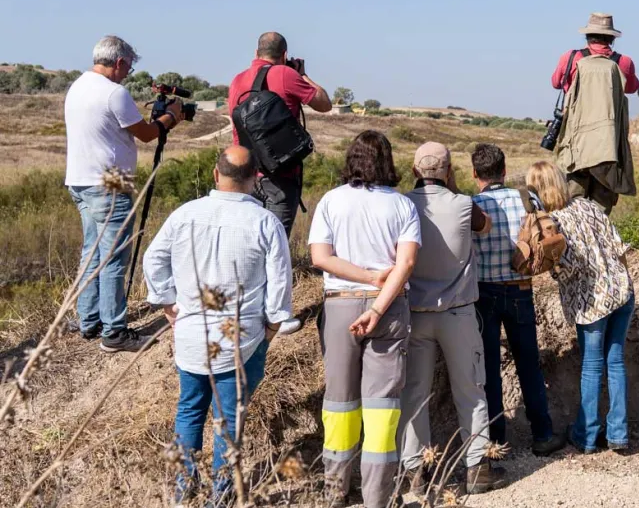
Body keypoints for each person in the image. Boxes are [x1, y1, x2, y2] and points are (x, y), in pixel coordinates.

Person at [142, 145, 293, 505]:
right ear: (256, 178)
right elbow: (280, 283)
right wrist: (272, 326)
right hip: (243, 340)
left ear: (215, 174)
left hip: (192, 335)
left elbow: (153, 258)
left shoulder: (185, 215)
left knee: (189, 409)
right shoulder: (266, 222)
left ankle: (183, 487)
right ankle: (221, 495)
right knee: (228, 421)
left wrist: (168, 302)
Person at [308, 130, 420, 508]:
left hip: (339, 305)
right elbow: (405, 264)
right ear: (388, 161)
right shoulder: (403, 206)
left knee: (339, 404)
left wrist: (363, 278)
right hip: (388, 309)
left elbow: (321, 258)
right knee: (383, 407)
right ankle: (377, 497)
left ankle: (334, 492)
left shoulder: (330, 200)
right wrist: (377, 299)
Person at [398, 142, 508, 496]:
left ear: (415, 171)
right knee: (471, 391)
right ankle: (477, 468)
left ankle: (416, 471)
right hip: (458, 314)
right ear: (449, 172)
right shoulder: (463, 204)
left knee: (414, 394)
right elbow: (485, 225)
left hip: (414, 312)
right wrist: (456, 187)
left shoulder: (402, 205)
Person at [64, 35, 184, 352]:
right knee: (115, 258)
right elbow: (146, 134)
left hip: (80, 180)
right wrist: (171, 116)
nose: (128, 72)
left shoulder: (77, 86)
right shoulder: (114, 93)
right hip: (111, 183)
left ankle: (90, 321)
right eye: (129, 67)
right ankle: (114, 332)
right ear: (119, 62)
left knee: (91, 255)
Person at [524, 161, 634, 454]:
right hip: (621, 291)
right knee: (615, 361)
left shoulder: (552, 225)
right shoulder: (588, 206)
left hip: (591, 302)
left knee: (591, 365)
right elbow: (619, 247)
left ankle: (586, 435)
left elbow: (566, 270)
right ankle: (619, 433)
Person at [471, 144, 566, 456]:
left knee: (489, 368)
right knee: (529, 365)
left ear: (475, 174)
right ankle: (542, 434)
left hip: (483, 293)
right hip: (521, 290)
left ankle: (496, 439)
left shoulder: (472, 205)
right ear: (504, 169)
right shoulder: (527, 198)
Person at [228, 31, 332, 238]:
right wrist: (302, 74)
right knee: (275, 244)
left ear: (256, 53)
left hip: (244, 172)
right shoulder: (287, 75)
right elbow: (324, 104)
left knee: (246, 241)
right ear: (284, 55)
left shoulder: (237, 80)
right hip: (281, 174)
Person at [552, 13, 639, 214]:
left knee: (573, 200)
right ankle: (599, 239)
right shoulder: (623, 62)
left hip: (576, 144)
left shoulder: (571, 58)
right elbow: (632, 87)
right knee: (602, 201)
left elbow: (556, 83)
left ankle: (575, 240)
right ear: (612, 38)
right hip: (608, 145)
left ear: (588, 35)